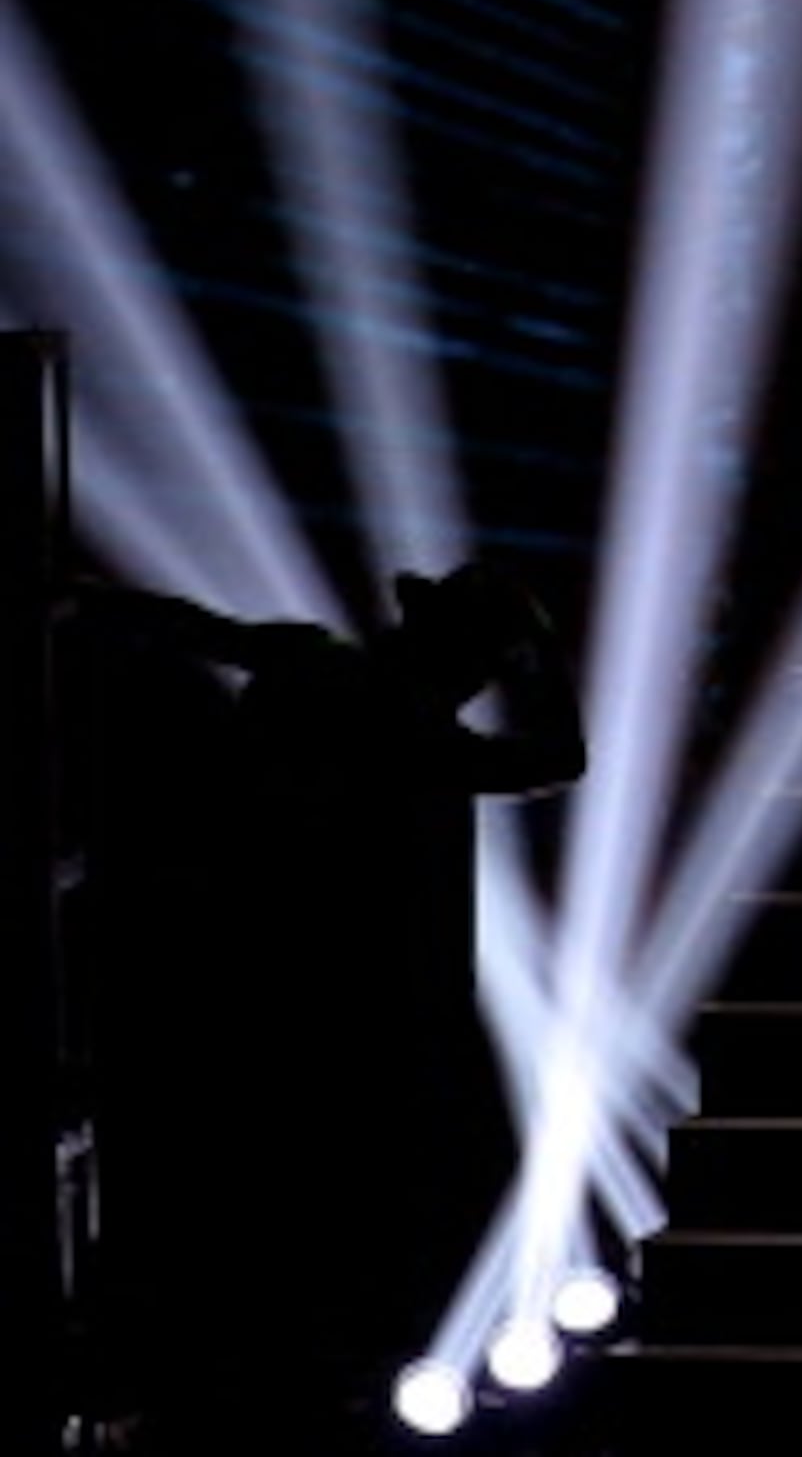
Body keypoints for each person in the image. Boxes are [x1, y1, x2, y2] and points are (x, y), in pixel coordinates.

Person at [71, 559, 585, 1444]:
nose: (482, 682)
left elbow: (196, 625)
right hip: (345, 1009)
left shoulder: (320, 669)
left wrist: (94, 601)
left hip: (258, 988)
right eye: (487, 662)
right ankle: (290, 1384)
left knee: (262, 1203)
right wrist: (545, 659)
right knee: (331, 1211)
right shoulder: (405, 727)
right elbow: (559, 759)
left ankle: (229, 1378)